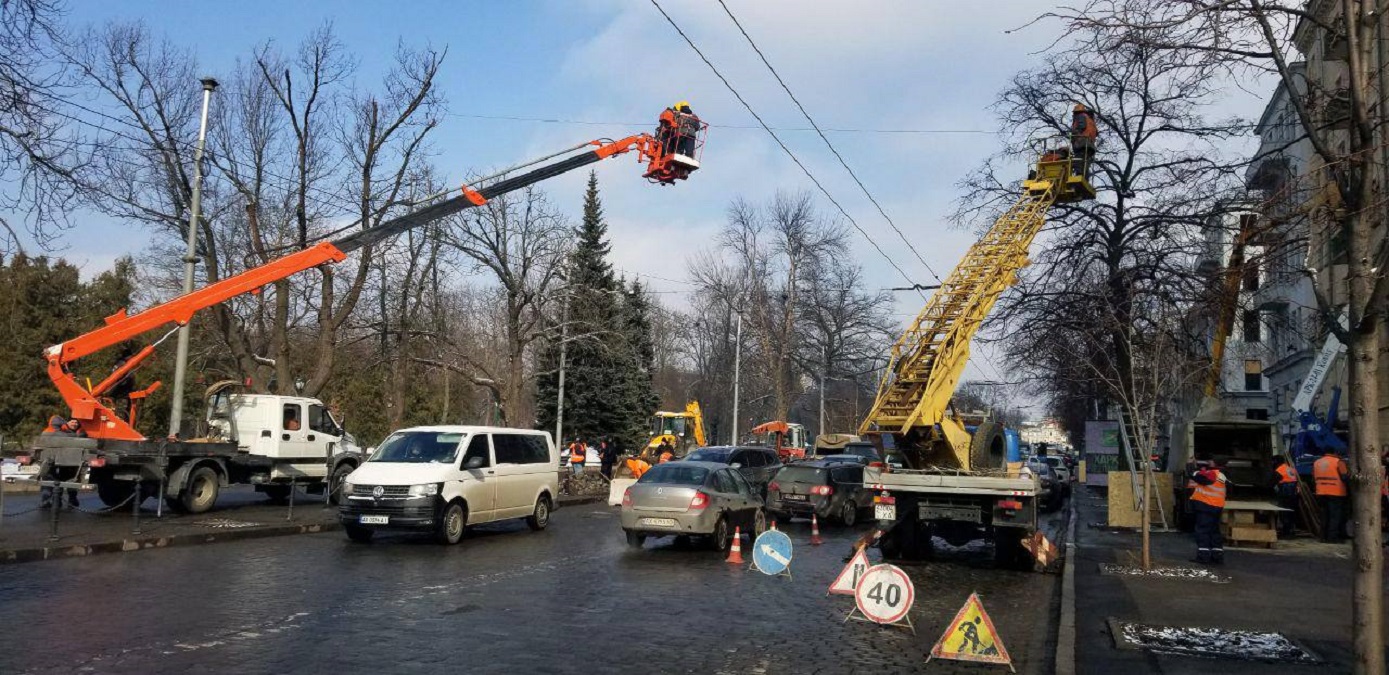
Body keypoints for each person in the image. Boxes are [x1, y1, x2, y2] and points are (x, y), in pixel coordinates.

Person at [39, 415, 84, 509]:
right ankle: (48, 501)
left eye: (76, 422)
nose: (75, 424)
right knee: (49, 479)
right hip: (52, 460)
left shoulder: (79, 432)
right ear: (67, 422)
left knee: (70, 479)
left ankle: (70, 501)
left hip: (70, 461)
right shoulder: (59, 431)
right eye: (72, 422)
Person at [1188, 460, 1227, 564]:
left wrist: (1191, 466)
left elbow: (1196, 477)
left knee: (1202, 531)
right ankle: (1217, 555)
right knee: (1214, 531)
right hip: (1217, 506)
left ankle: (1203, 556)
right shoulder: (1221, 475)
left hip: (1206, 506)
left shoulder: (1211, 474)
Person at [1312, 449, 1349, 542]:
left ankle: (1323, 537)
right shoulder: (1338, 462)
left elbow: (1313, 477)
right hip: (1336, 493)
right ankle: (1333, 538)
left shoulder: (1317, 462)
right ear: (1335, 453)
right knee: (1335, 516)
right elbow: (1345, 477)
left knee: (1324, 515)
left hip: (1320, 492)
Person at [1271, 456, 1299, 537]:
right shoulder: (1290, 469)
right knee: (1291, 512)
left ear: (1276, 461)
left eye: (1273, 462)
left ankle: (1286, 533)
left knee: (1284, 513)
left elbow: (1271, 483)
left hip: (1285, 493)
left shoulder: (1279, 470)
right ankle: (1291, 531)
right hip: (1294, 493)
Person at [1070, 103, 1098, 178]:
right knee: (1085, 163)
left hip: (1082, 142)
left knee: (1078, 160)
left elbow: (1081, 126)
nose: (1073, 115)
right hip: (1090, 145)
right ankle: (1085, 178)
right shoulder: (1091, 121)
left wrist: (1074, 136)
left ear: (1077, 112)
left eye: (1074, 113)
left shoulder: (1080, 116)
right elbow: (1096, 133)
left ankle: (1079, 176)